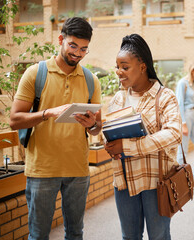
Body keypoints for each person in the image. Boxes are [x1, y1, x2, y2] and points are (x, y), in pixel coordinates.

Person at [9, 17, 101, 239]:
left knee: (75, 234)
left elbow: (98, 128)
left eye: (83, 49)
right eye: (73, 46)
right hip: (42, 169)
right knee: (39, 235)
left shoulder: (91, 80)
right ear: (61, 39)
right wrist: (47, 113)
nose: (78, 53)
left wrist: (92, 126)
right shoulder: (35, 74)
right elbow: (14, 120)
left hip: (78, 170)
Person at [104, 34, 181, 240]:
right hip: (124, 181)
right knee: (129, 237)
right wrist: (101, 134)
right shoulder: (119, 98)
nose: (119, 72)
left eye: (125, 67)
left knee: (159, 236)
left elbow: (174, 134)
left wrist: (127, 147)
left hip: (156, 181)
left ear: (142, 66)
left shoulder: (165, 96)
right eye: (117, 66)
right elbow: (110, 134)